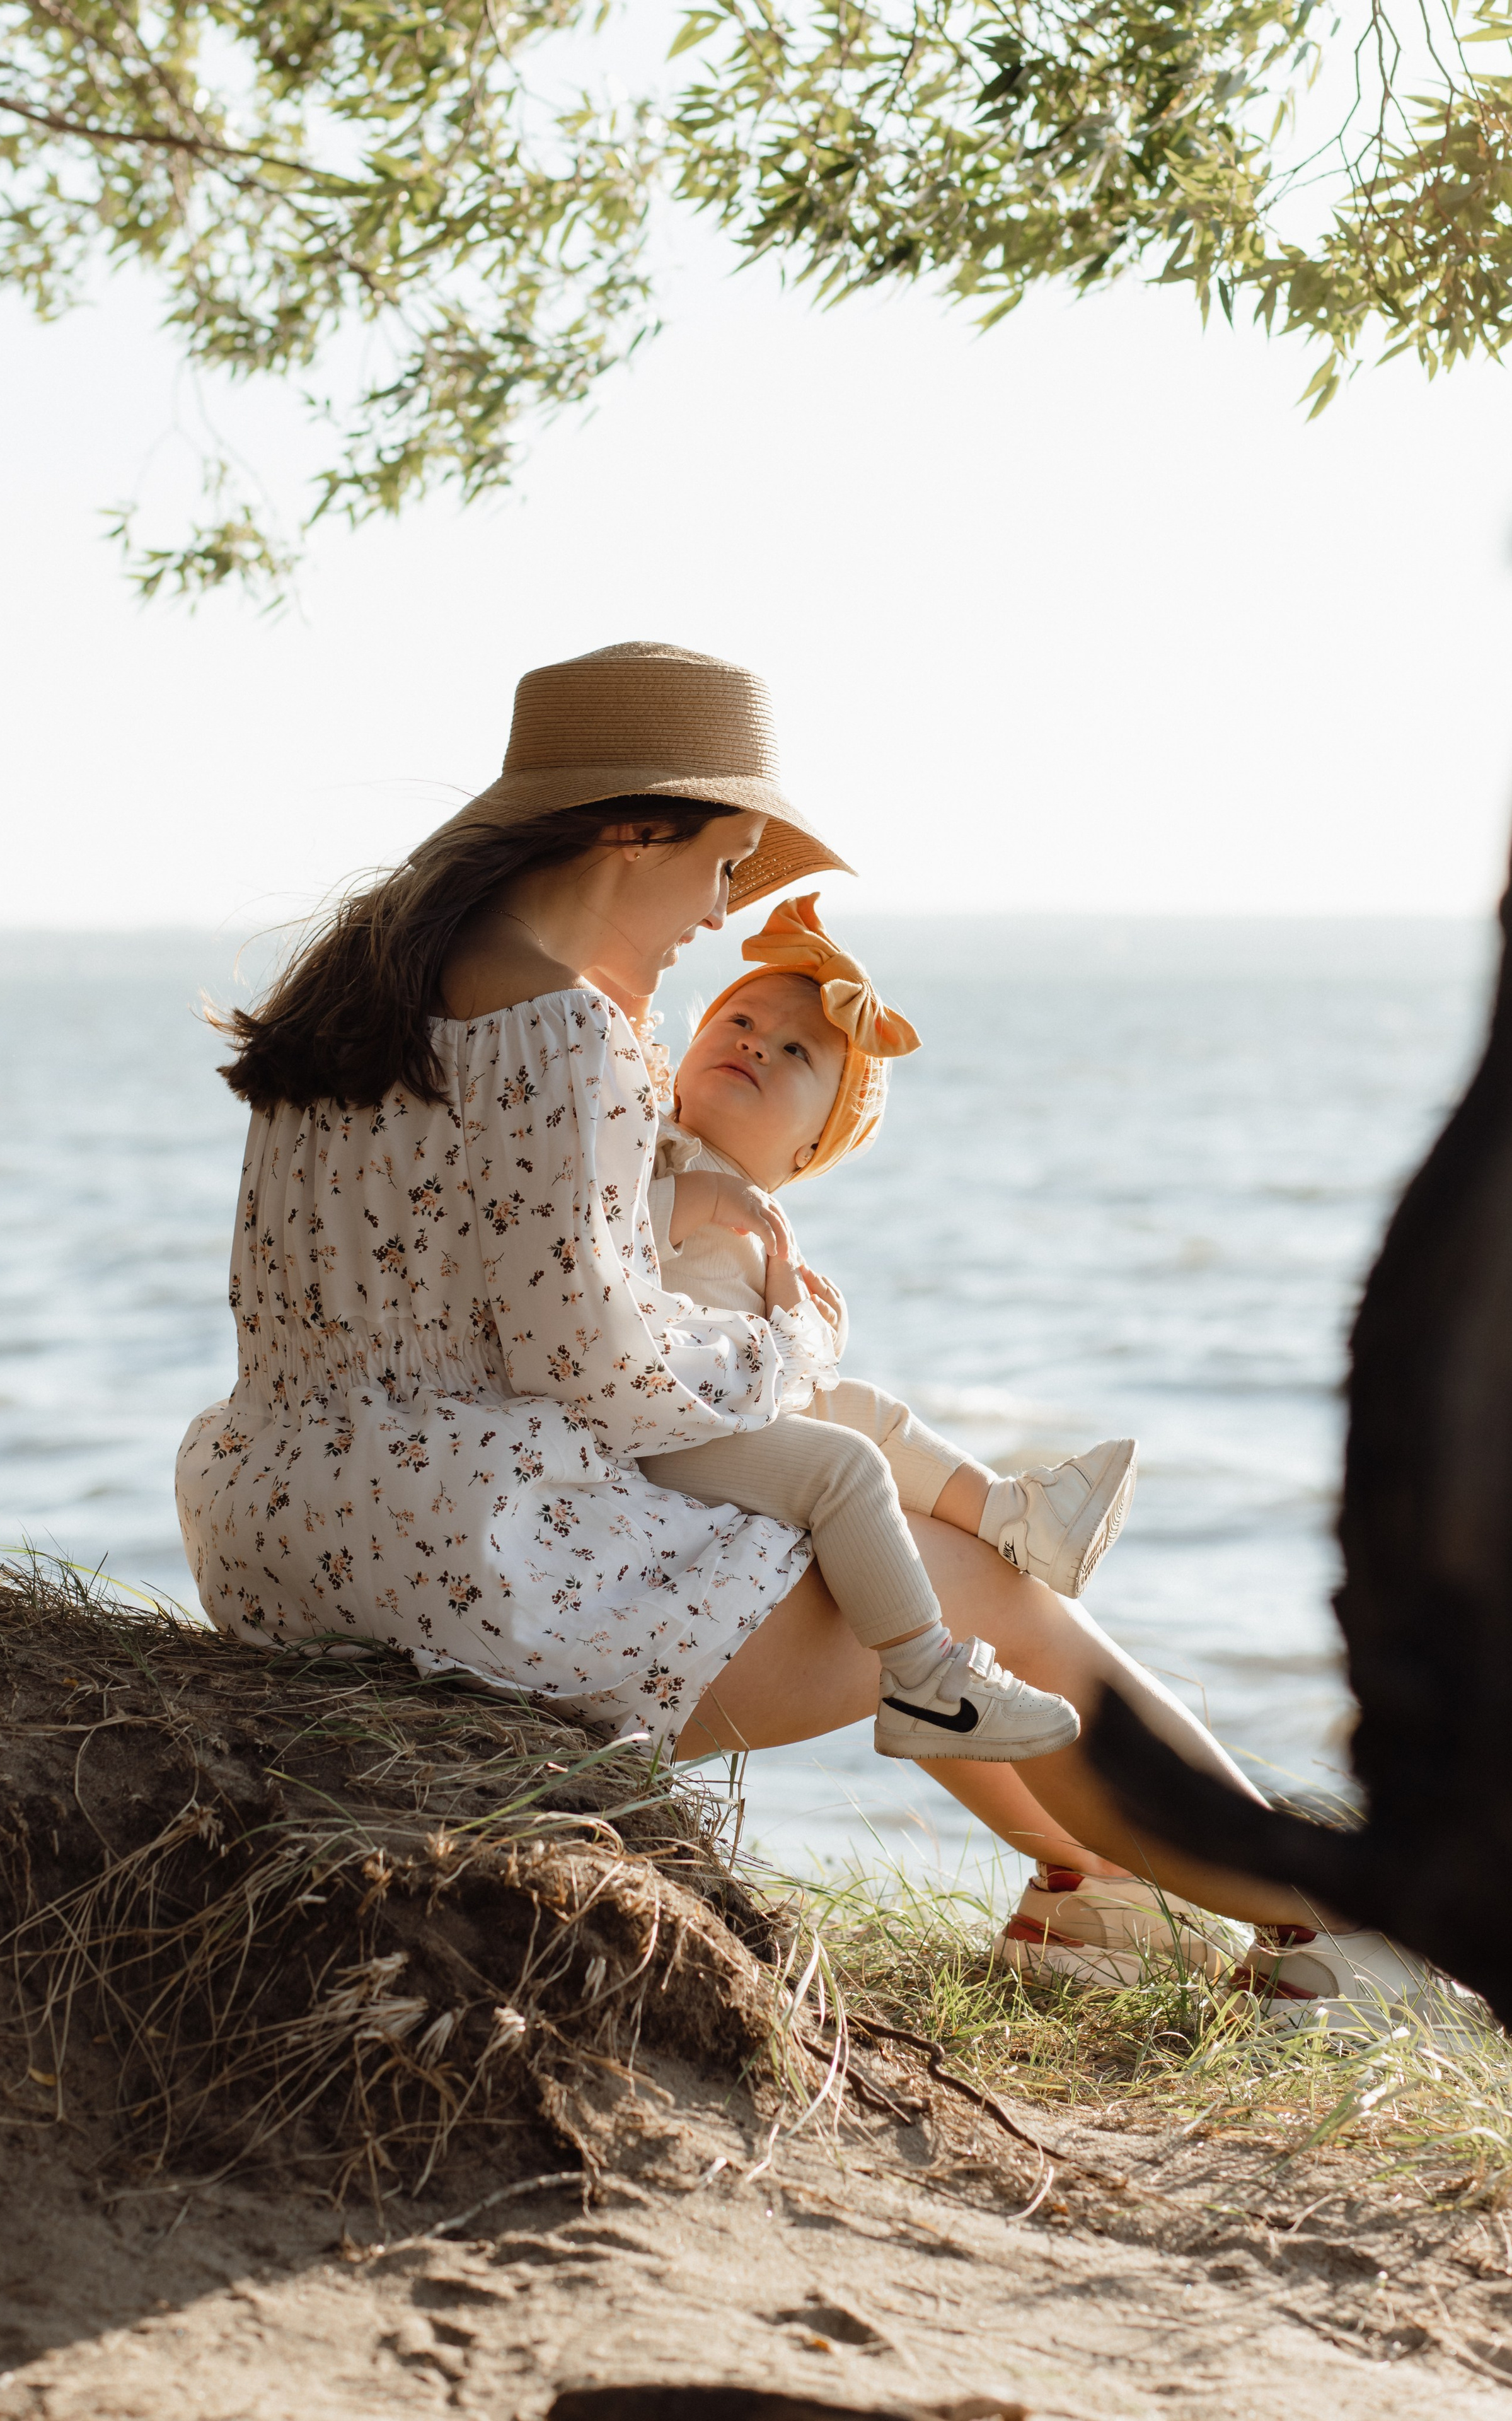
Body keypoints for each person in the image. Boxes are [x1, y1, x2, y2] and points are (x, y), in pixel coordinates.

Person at [177, 637, 1439, 2030]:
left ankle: (1094, 1892)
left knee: (914, 1579)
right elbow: (603, 1378)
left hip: (284, 1531)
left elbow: (452, 1319)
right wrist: (793, 1338)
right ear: (634, 828)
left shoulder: (353, 995)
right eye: (725, 868)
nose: (718, 918)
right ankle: (1325, 1927)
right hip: (471, 1566)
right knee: (983, 1590)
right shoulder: (560, 1030)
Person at [636, 891, 1135, 1767]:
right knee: (846, 1466)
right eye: (742, 1019)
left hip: (710, 1409)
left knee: (863, 1408)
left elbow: (787, 1370)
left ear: (808, 1151)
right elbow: (588, 1234)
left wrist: (797, 1301)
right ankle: (922, 1676)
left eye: (794, 1051)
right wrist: (695, 1200)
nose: (755, 1040)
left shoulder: (764, 1223)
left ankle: (1013, 1514)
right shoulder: (653, 1147)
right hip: (650, 1425)